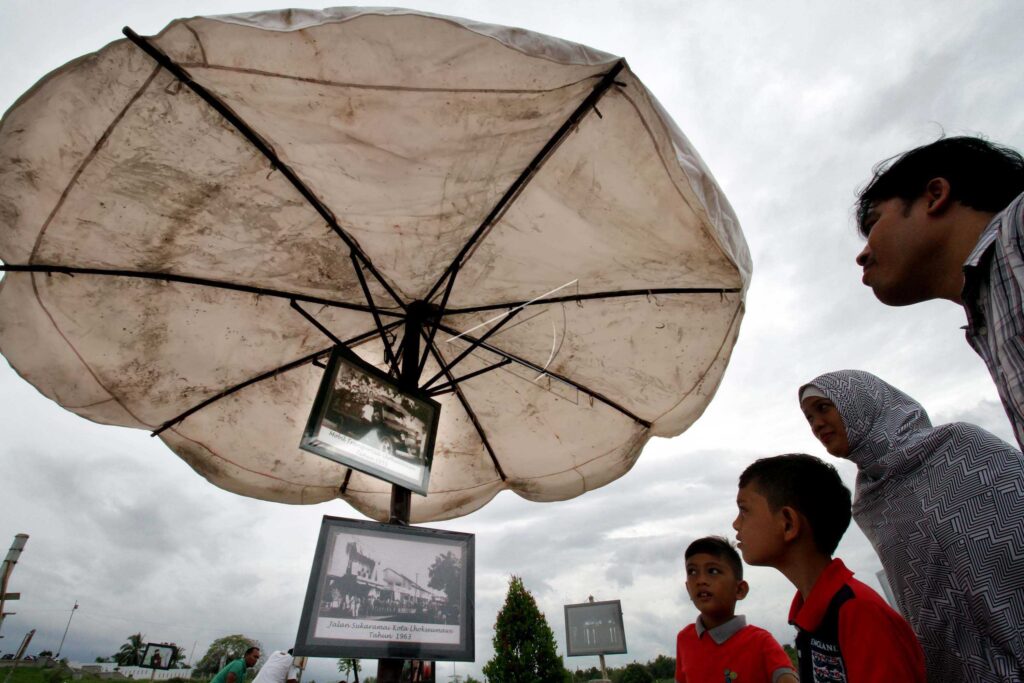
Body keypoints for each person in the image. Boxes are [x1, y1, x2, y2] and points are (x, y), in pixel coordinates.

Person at [799, 369, 1024, 681]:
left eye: (823, 408)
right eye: (809, 418)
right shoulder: (870, 501)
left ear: (861, 403)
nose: (816, 424)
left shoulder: (960, 445)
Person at [854, 136, 1024, 450]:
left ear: (935, 195)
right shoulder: (986, 318)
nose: (862, 256)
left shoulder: (1019, 225)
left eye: (874, 222)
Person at [734, 454, 925, 682]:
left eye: (744, 510)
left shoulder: (859, 614)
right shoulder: (812, 613)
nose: (736, 523)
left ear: (788, 523)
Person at [675, 536, 797, 683]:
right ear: (688, 589)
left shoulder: (761, 642)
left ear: (739, 590)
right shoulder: (684, 639)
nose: (700, 580)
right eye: (692, 572)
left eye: (712, 571)